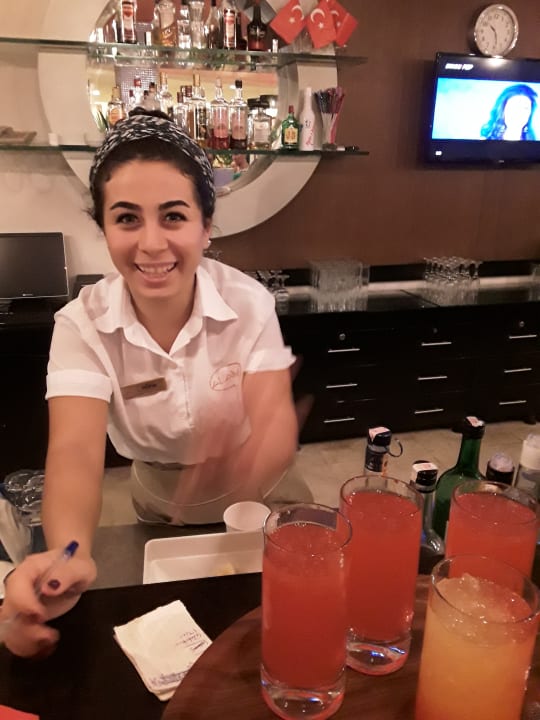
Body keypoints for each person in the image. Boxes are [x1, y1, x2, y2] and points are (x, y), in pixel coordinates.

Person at [0, 109, 299, 657]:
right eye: (127, 219)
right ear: (104, 228)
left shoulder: (248, 302)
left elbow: (275, 419)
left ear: (206, 226)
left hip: (257, 496)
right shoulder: (81, 325)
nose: (152, 244)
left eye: (174, 216)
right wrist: (66, 556)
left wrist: (246, 458)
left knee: (268, 633)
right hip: (156, 499)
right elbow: (74, 452)